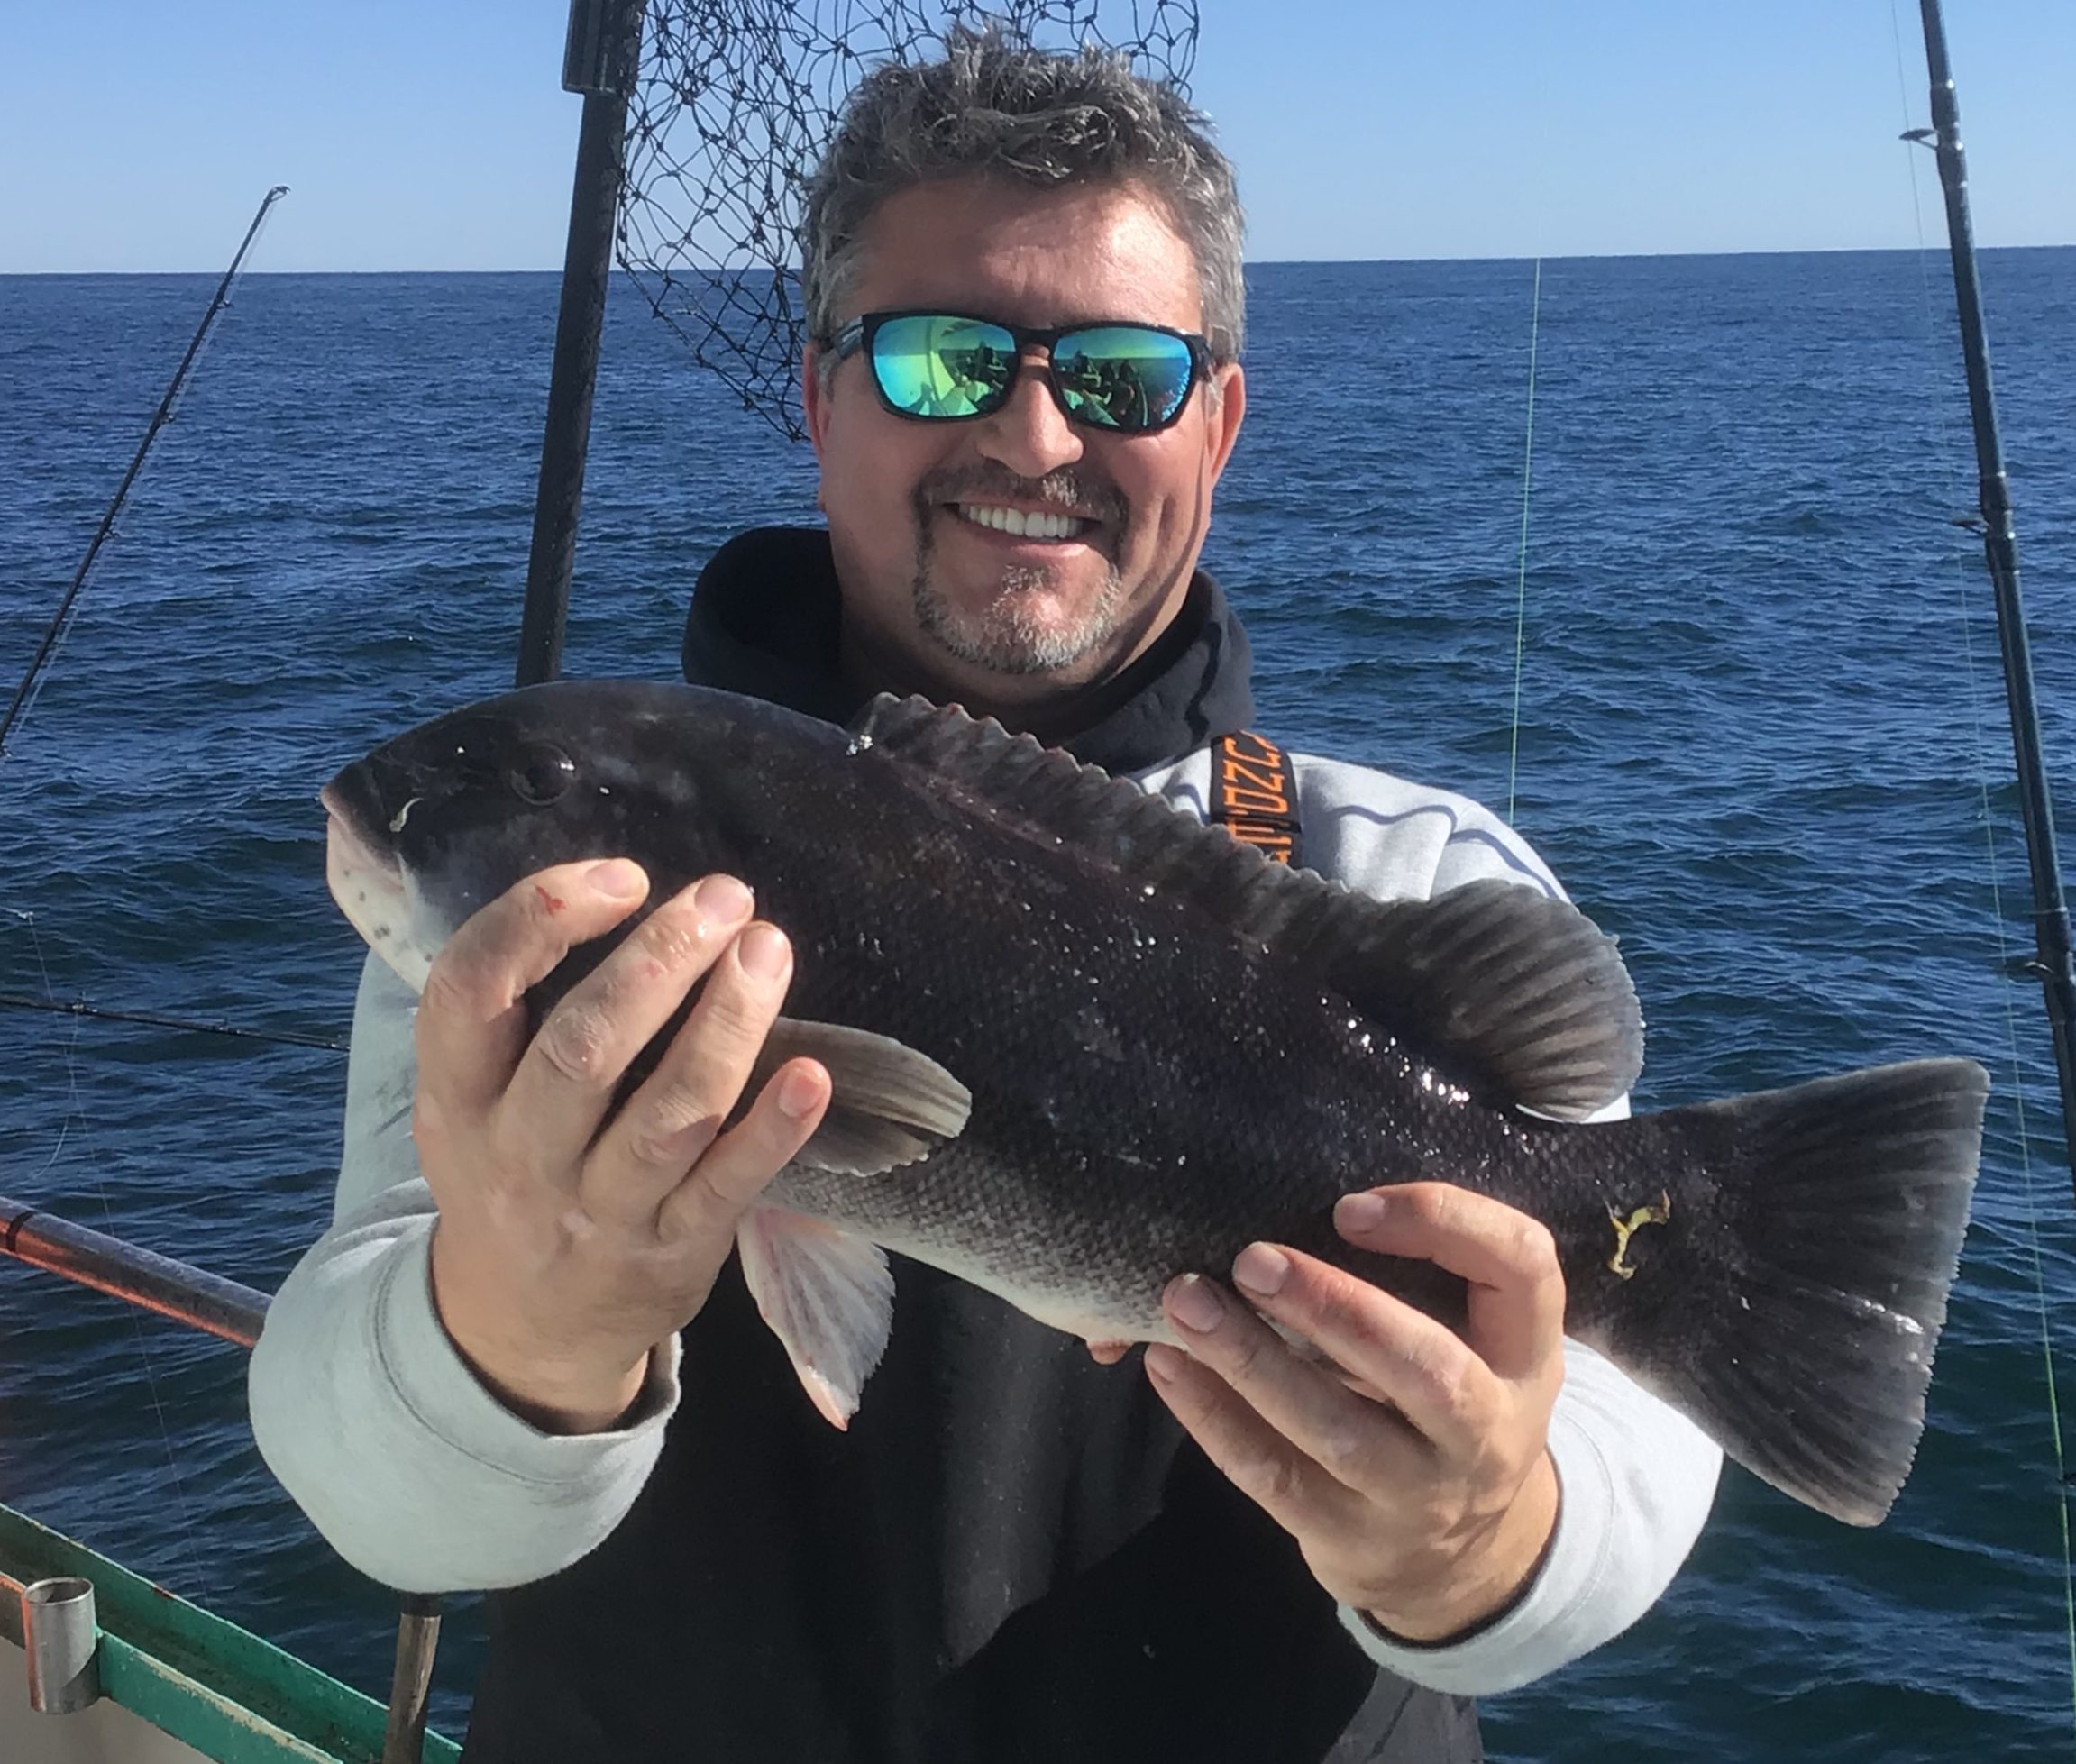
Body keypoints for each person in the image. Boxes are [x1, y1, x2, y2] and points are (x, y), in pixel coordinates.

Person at [251, 29, 1720, 1763]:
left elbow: (1631, 1456)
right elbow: (383, 1506)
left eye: (1119, 374)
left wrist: (1485, 1535)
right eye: (944, 358)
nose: (1033, 433)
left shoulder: (1408, 877)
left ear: (1219, 422)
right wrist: (507, 1330)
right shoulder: (556, 907)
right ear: (818, 397)